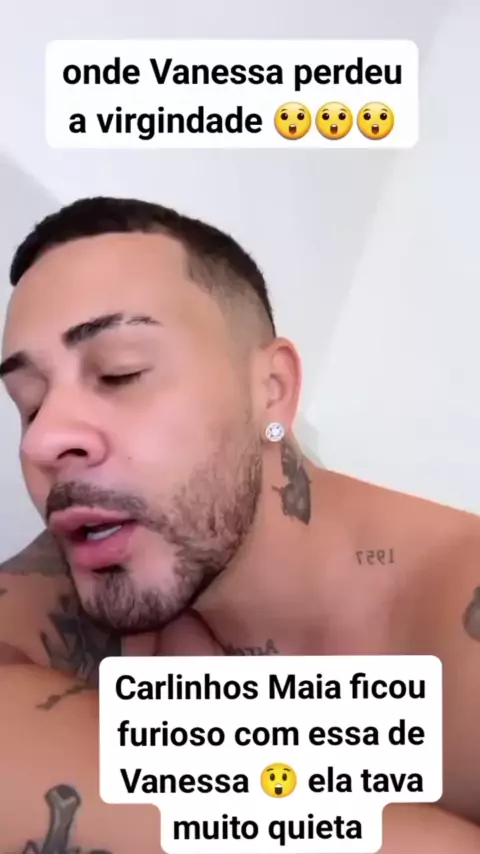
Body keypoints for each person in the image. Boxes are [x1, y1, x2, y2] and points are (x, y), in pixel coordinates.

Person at [1, 196, 480, 853]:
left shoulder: (457, 631)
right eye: (28, 403)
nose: (42, 440)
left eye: (119, 373)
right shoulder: (104, 558)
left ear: (272, 390)